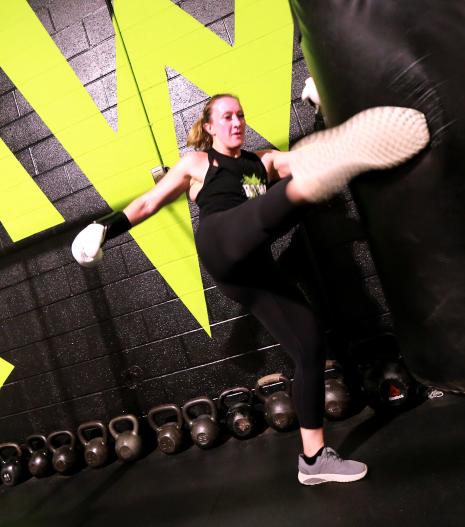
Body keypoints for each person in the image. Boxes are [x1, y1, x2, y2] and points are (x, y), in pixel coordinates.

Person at [71, 93, 429, 485]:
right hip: (222, 242)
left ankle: (313, 461)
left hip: (257, 268)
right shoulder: (198, 163)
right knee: (277, 200)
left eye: (241, 115)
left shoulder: (264, 161)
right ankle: (305, 188)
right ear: (209, 127)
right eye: (226, 117)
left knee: (309, 345)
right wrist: (105, 228)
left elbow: (305, 159)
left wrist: (321, 112)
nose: (236, 122)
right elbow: (148, 203)